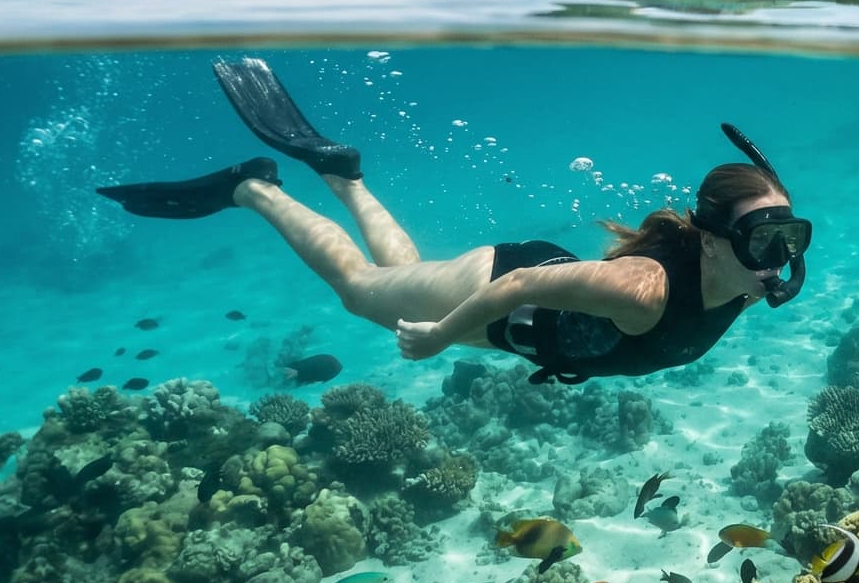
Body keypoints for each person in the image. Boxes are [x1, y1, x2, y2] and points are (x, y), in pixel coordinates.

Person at [95, 58, 810, 384]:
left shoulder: (744, 280)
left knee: (395, 274)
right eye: (761, 239)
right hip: (502, 285)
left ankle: (344, 175)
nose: (777, 259)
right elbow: (528, 278)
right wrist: (439, 336)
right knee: (357, 289)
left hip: (522, 324)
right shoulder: (644, 288)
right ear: (712, 239)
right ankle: (255, 188)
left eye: (788, 239)